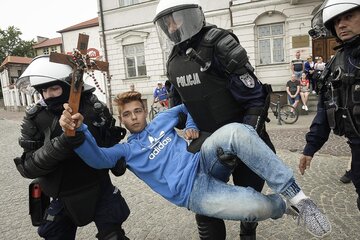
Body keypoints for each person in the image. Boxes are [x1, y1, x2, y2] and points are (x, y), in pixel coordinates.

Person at [60, 91, 332, 238]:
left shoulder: (162, 120)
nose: (134, 117)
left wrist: (190, 124)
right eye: (127, 115)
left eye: (138, 111)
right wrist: (79, 132)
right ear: (122, 119)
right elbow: (97, 158)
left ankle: (299, 197)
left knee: (236, 131)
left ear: (145, 110)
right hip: (194, 193)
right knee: (257, 207)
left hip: (204, 161)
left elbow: (185, 107)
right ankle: (284, 206)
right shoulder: (125, 151)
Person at [153, 1, 276, 239]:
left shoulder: (219, 44)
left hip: (243, 136)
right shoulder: (173, 60)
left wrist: (246, 139)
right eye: (165, 22)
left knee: (248, 198)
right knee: (206, 206)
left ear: (190, 16)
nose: (171, 26)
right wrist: (176, 123)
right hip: (208, 144)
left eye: (174, 18)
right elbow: (180, 106)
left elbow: (256, 99)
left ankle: (248, 229)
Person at [13, 55, 130, 240]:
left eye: (54, 88)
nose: (48, 95)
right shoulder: (36, 117)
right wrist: (63, 142)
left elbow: (111, 145)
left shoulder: (94, 107)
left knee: (114, 236)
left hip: (99, 186)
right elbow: (28, 167)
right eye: (43, 91)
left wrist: (118, 158)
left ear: (69, 85)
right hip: (62, 195)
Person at [300, 0, 360, 212]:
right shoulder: (336, 62)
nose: (341, 25)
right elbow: (326, 108)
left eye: (348, 17)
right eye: (336, 21)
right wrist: (310, 148)